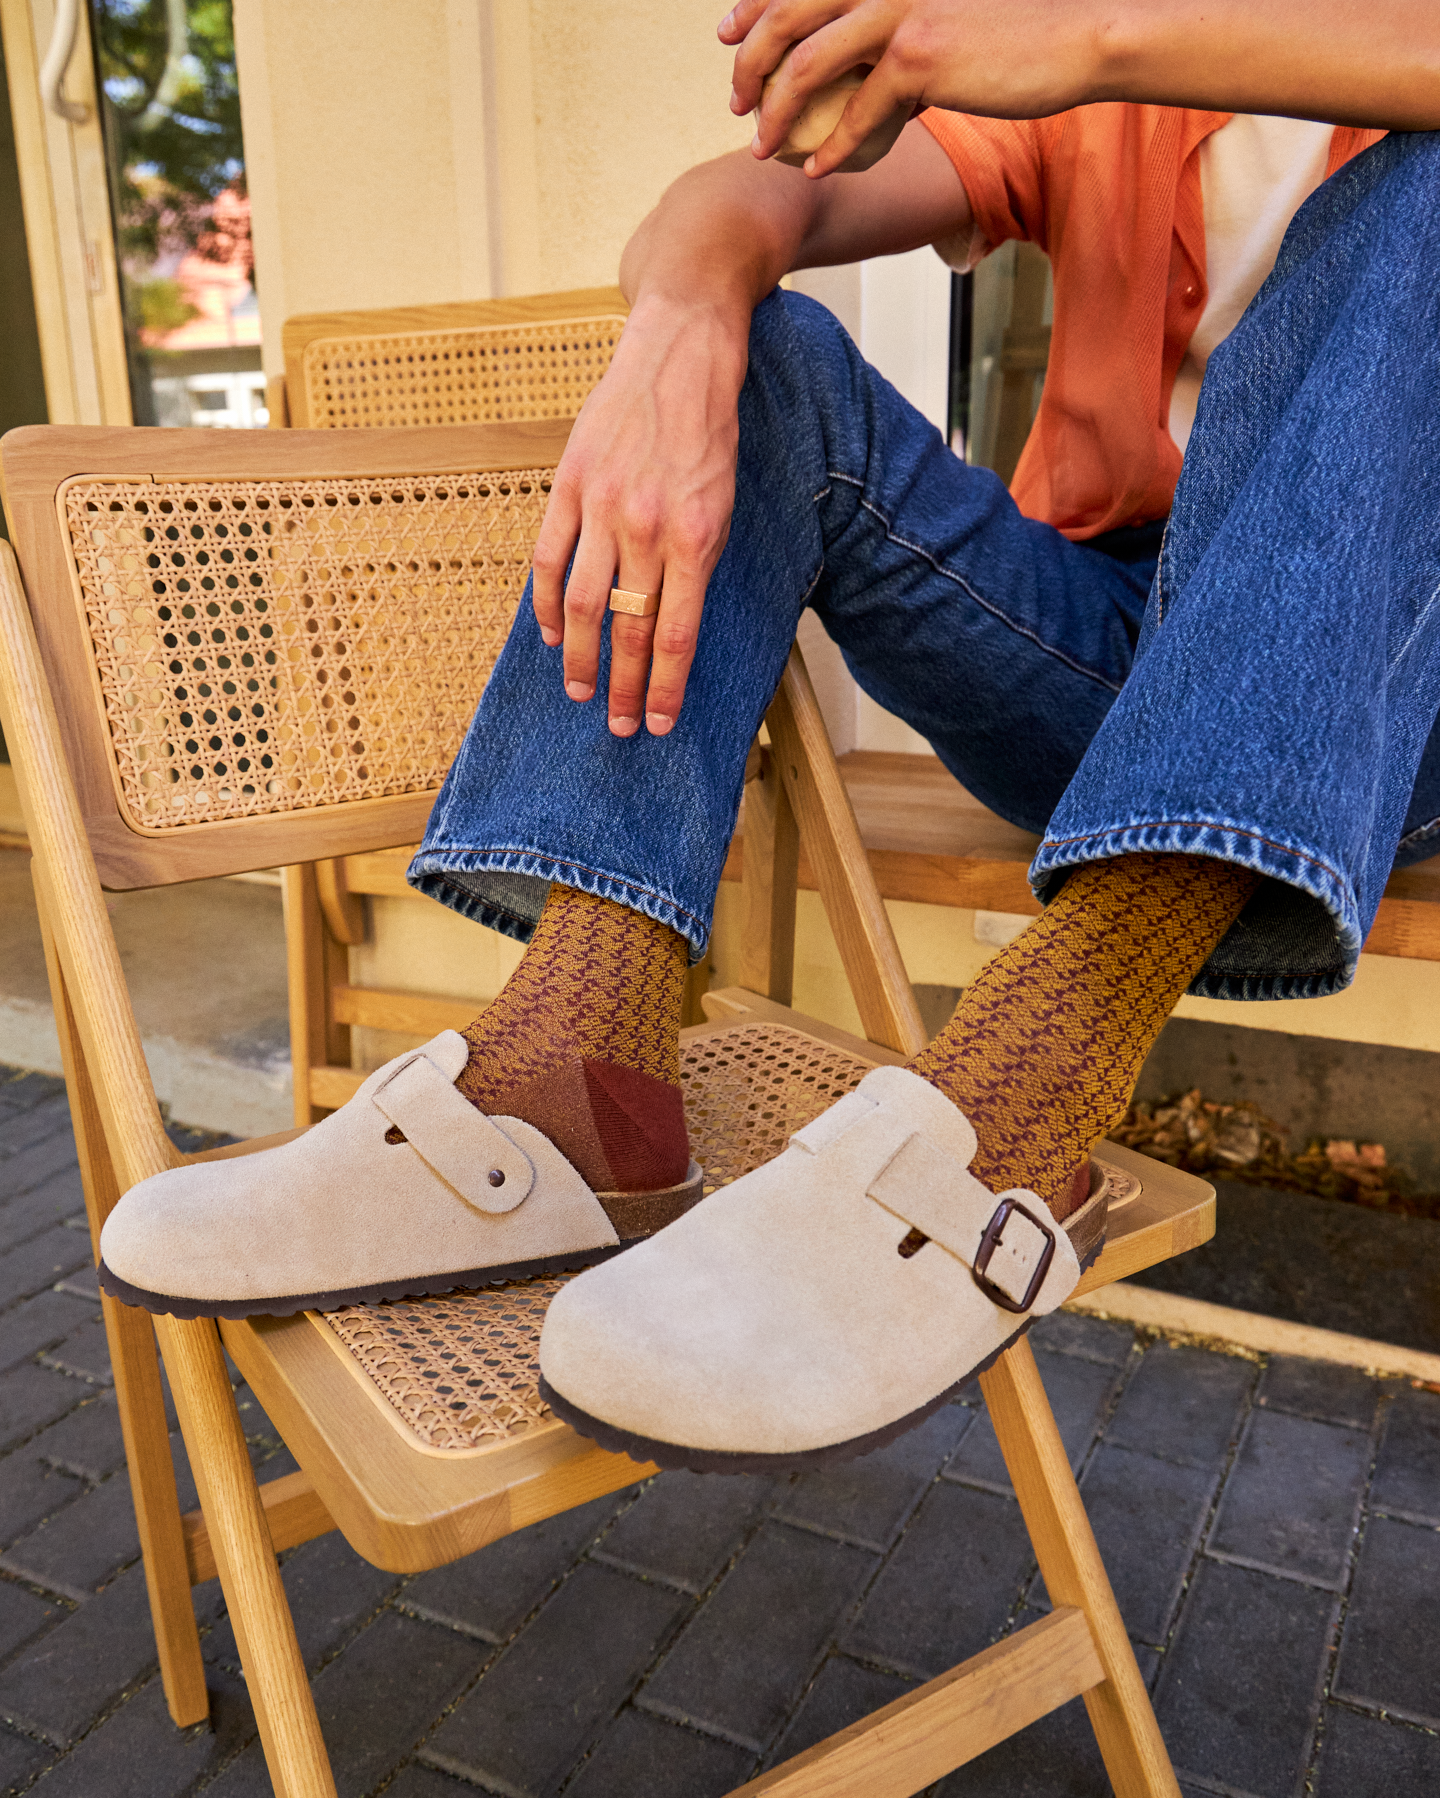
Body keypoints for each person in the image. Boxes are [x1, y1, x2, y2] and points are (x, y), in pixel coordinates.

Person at [100, 1, 1440, 1473]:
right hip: (1095, 652)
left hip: (1386, 699)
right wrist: (682, 323)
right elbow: (734, 203)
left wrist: (1103, 36)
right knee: (768, 349)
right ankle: (569, 1081)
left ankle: (1027, 1100)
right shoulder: (1105, 111)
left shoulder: (1126, 49)